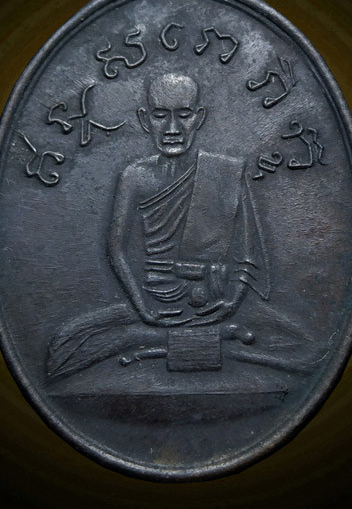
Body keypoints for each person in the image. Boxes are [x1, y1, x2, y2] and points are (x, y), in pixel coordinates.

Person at [108, 72, 269, 329]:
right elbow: (117, 250)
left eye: (184, 115)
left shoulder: (225, 173)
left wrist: (232, 302)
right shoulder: (135, 177)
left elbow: (248, 255)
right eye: (160, 115)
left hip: (215, 300)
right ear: (145, 119)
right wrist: (142, 309)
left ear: (199, 117)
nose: (172, 129)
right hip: (154, 298)